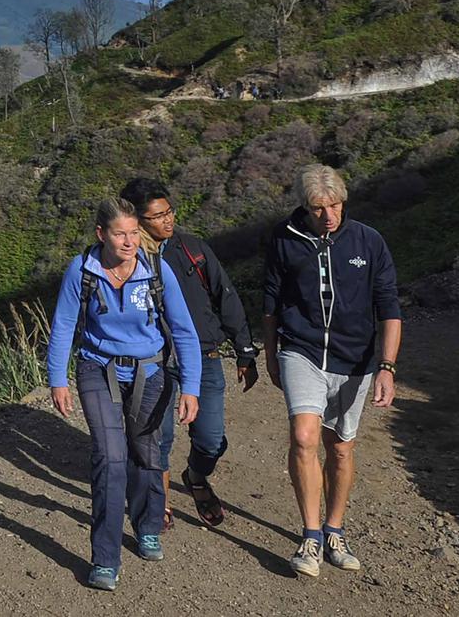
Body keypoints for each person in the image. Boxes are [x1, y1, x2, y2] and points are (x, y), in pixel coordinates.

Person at [46, 198, 202, 591]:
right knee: (110, 458)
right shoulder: (82, 271)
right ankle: (105, 558)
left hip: (150, 371)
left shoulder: (156, 272)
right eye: (120, 234)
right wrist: (57, 380)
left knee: (147, 453)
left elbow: (183, 331)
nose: (130, 241)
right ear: (101, 234)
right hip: (98, 368)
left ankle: (148, 526)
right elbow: (64, 325)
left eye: (135, 232)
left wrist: (191, 387)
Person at [263, 164, 401, 577]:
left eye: (336, 205)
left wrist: (387, 367)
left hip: (354, 358)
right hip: (301, 351)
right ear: (305, 207)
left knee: (339, 447)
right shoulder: (283, 240)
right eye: (320, 208)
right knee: (304, 436)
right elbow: (270, 302)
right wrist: (271, 355)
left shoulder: (369, 241)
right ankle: (310, 536)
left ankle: (334, 529)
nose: (329, 216)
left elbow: (389, 307)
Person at [120, 178, 259, 530]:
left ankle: (196, 477)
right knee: (158, 438)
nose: (168, 220)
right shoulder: (127, 260)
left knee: (211, 439)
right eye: (157, 216)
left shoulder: (192, 249)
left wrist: (245, 350)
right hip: (152, 363)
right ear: (136, 220)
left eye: (169, 212)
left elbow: (225, 296)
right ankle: (159, 501)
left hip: (203, 356)